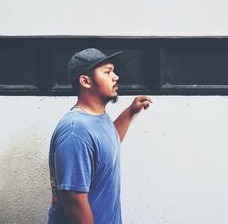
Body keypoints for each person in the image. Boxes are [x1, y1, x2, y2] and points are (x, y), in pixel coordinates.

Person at [48, 48, 152, 224]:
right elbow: (75, 204)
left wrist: (130, 112)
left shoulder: (96, 119)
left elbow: (107, 145)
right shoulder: (76, 131)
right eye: (108, 72)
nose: (116, 76)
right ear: (85, 81)